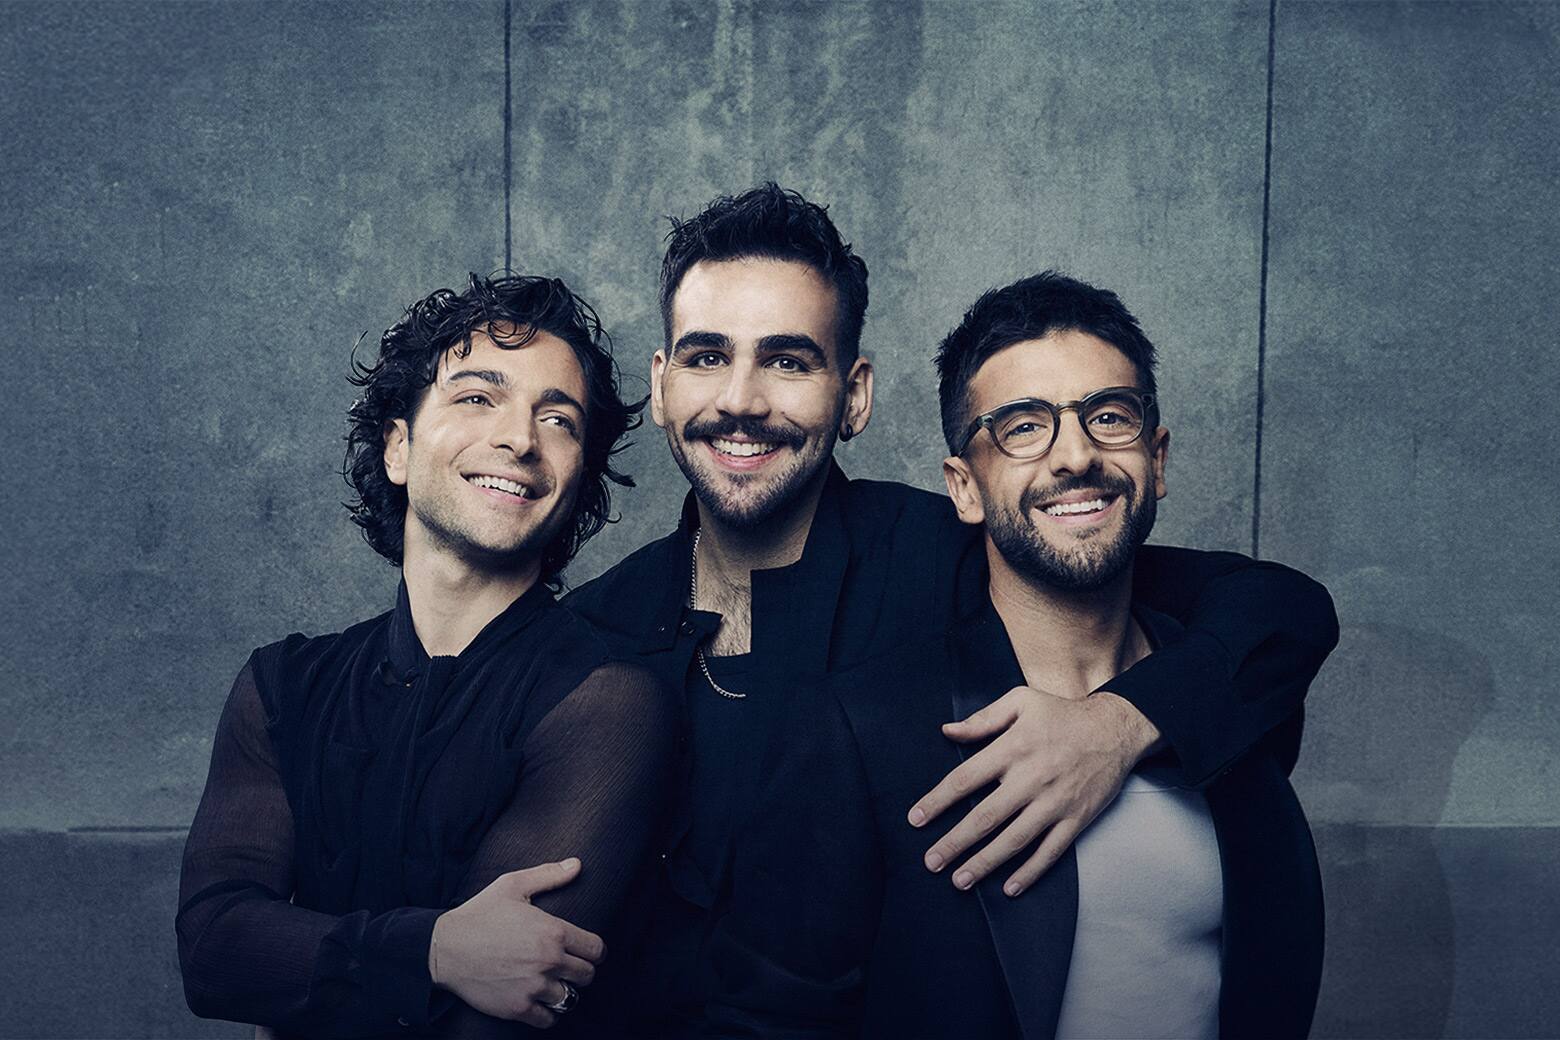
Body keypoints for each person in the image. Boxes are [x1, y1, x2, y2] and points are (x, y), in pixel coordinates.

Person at [562, 186, 1337, 1035]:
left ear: (855, 395)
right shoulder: (596, 634)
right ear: (662, 385)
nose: (741, 400)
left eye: (788, 361)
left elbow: (1277, 609)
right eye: (708, 357)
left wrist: (1116, 723)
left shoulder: (963, 546)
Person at [176, 274, 677, 1037]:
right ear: (398, 448)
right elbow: (213, 953)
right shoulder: (282, 687)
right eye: (478, 397)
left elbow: (497, 1013)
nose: (520, 439)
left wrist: (303, 962)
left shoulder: (607, 702)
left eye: (558, 419)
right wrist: (435, 949)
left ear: (577, 481)